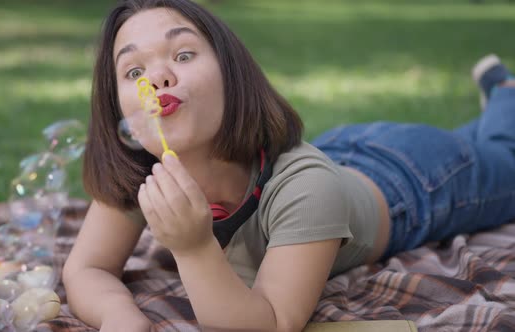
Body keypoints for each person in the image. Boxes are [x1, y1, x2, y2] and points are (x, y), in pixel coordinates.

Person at [61, 0, 515, 331]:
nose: (156, 79)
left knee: (503, 156)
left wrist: (194, 247)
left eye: (182, 55)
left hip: (414, 181)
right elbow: (87, 269)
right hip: (340, 152)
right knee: (480, 144)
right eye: (133, 72)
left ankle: (505, 92)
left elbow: (272, 321)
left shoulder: (305, 187)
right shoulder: (140, 169)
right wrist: (119, 316)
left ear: (233, 77)